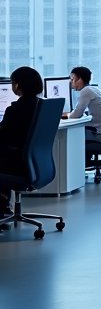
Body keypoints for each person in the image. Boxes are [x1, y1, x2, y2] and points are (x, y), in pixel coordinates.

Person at [0, 67, 44, 216]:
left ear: (17, 85)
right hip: (36, 164)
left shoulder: (16, 109)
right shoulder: (40, 106)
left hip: (18, 164)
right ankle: (4, 206)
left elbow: (3, 138)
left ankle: (3, 205)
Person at [64, 67, 101, 156]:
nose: (71, 82)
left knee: (70, 139)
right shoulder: (95, 89)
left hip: (100, 135)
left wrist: (66, 115)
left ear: (80, 79)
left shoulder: (86, 91)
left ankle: (75, 168)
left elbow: (77, 114)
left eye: (73, 79)